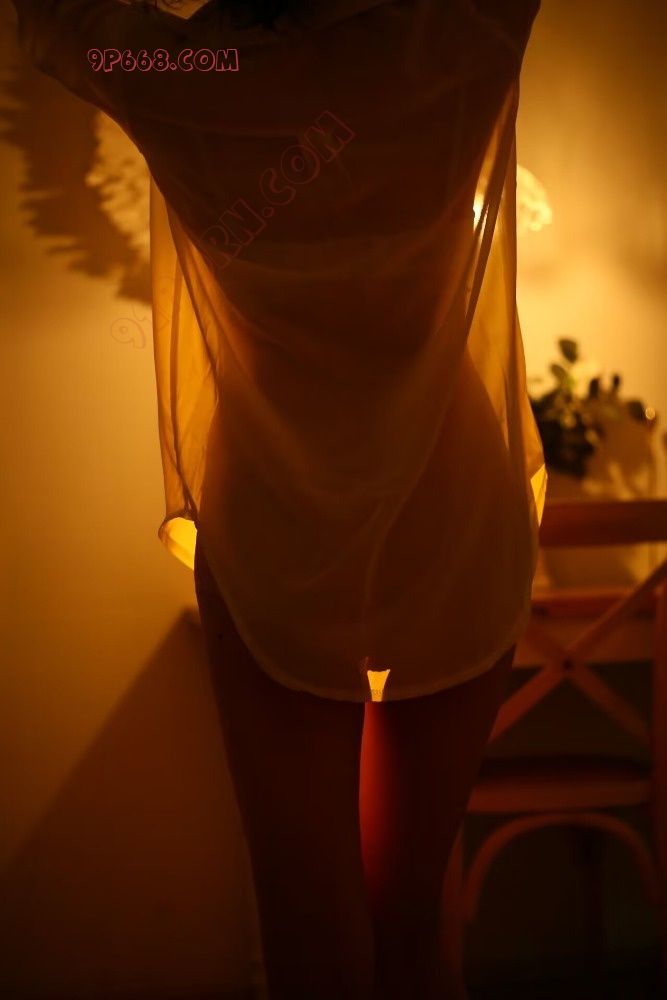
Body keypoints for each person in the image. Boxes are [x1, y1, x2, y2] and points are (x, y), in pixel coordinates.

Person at [10, 1, 545, 996]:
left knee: (307, 915)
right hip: (452, 491)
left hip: (274, 500)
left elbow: (51, 22)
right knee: (410, 910)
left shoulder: (188, 72)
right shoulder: (459, 34)